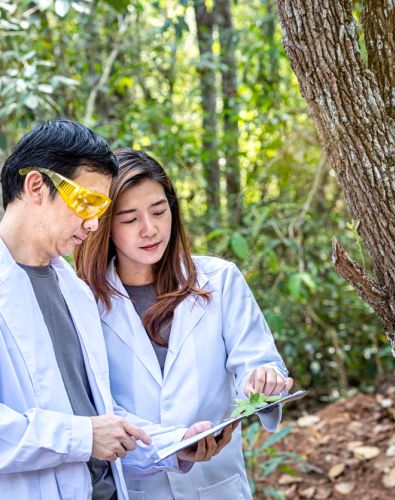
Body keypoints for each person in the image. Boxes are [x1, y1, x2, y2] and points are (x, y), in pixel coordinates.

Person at [0, 120, 230, 500]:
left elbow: (96, 414)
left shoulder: (74, 290)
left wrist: (170, 443)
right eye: (86, 203)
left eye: (101, 207)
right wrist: (81, 437)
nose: (93, 224)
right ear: (37, 186)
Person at [75, 148, 293, 499]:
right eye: (130, 219)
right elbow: (96, 407)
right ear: (105, 225)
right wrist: (169, 444)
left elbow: (255, 362)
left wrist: (261, 380)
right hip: (139, 486)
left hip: (215, 483)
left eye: (159, 212)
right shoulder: (83, 299)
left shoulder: (219, 280)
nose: (150, 229)